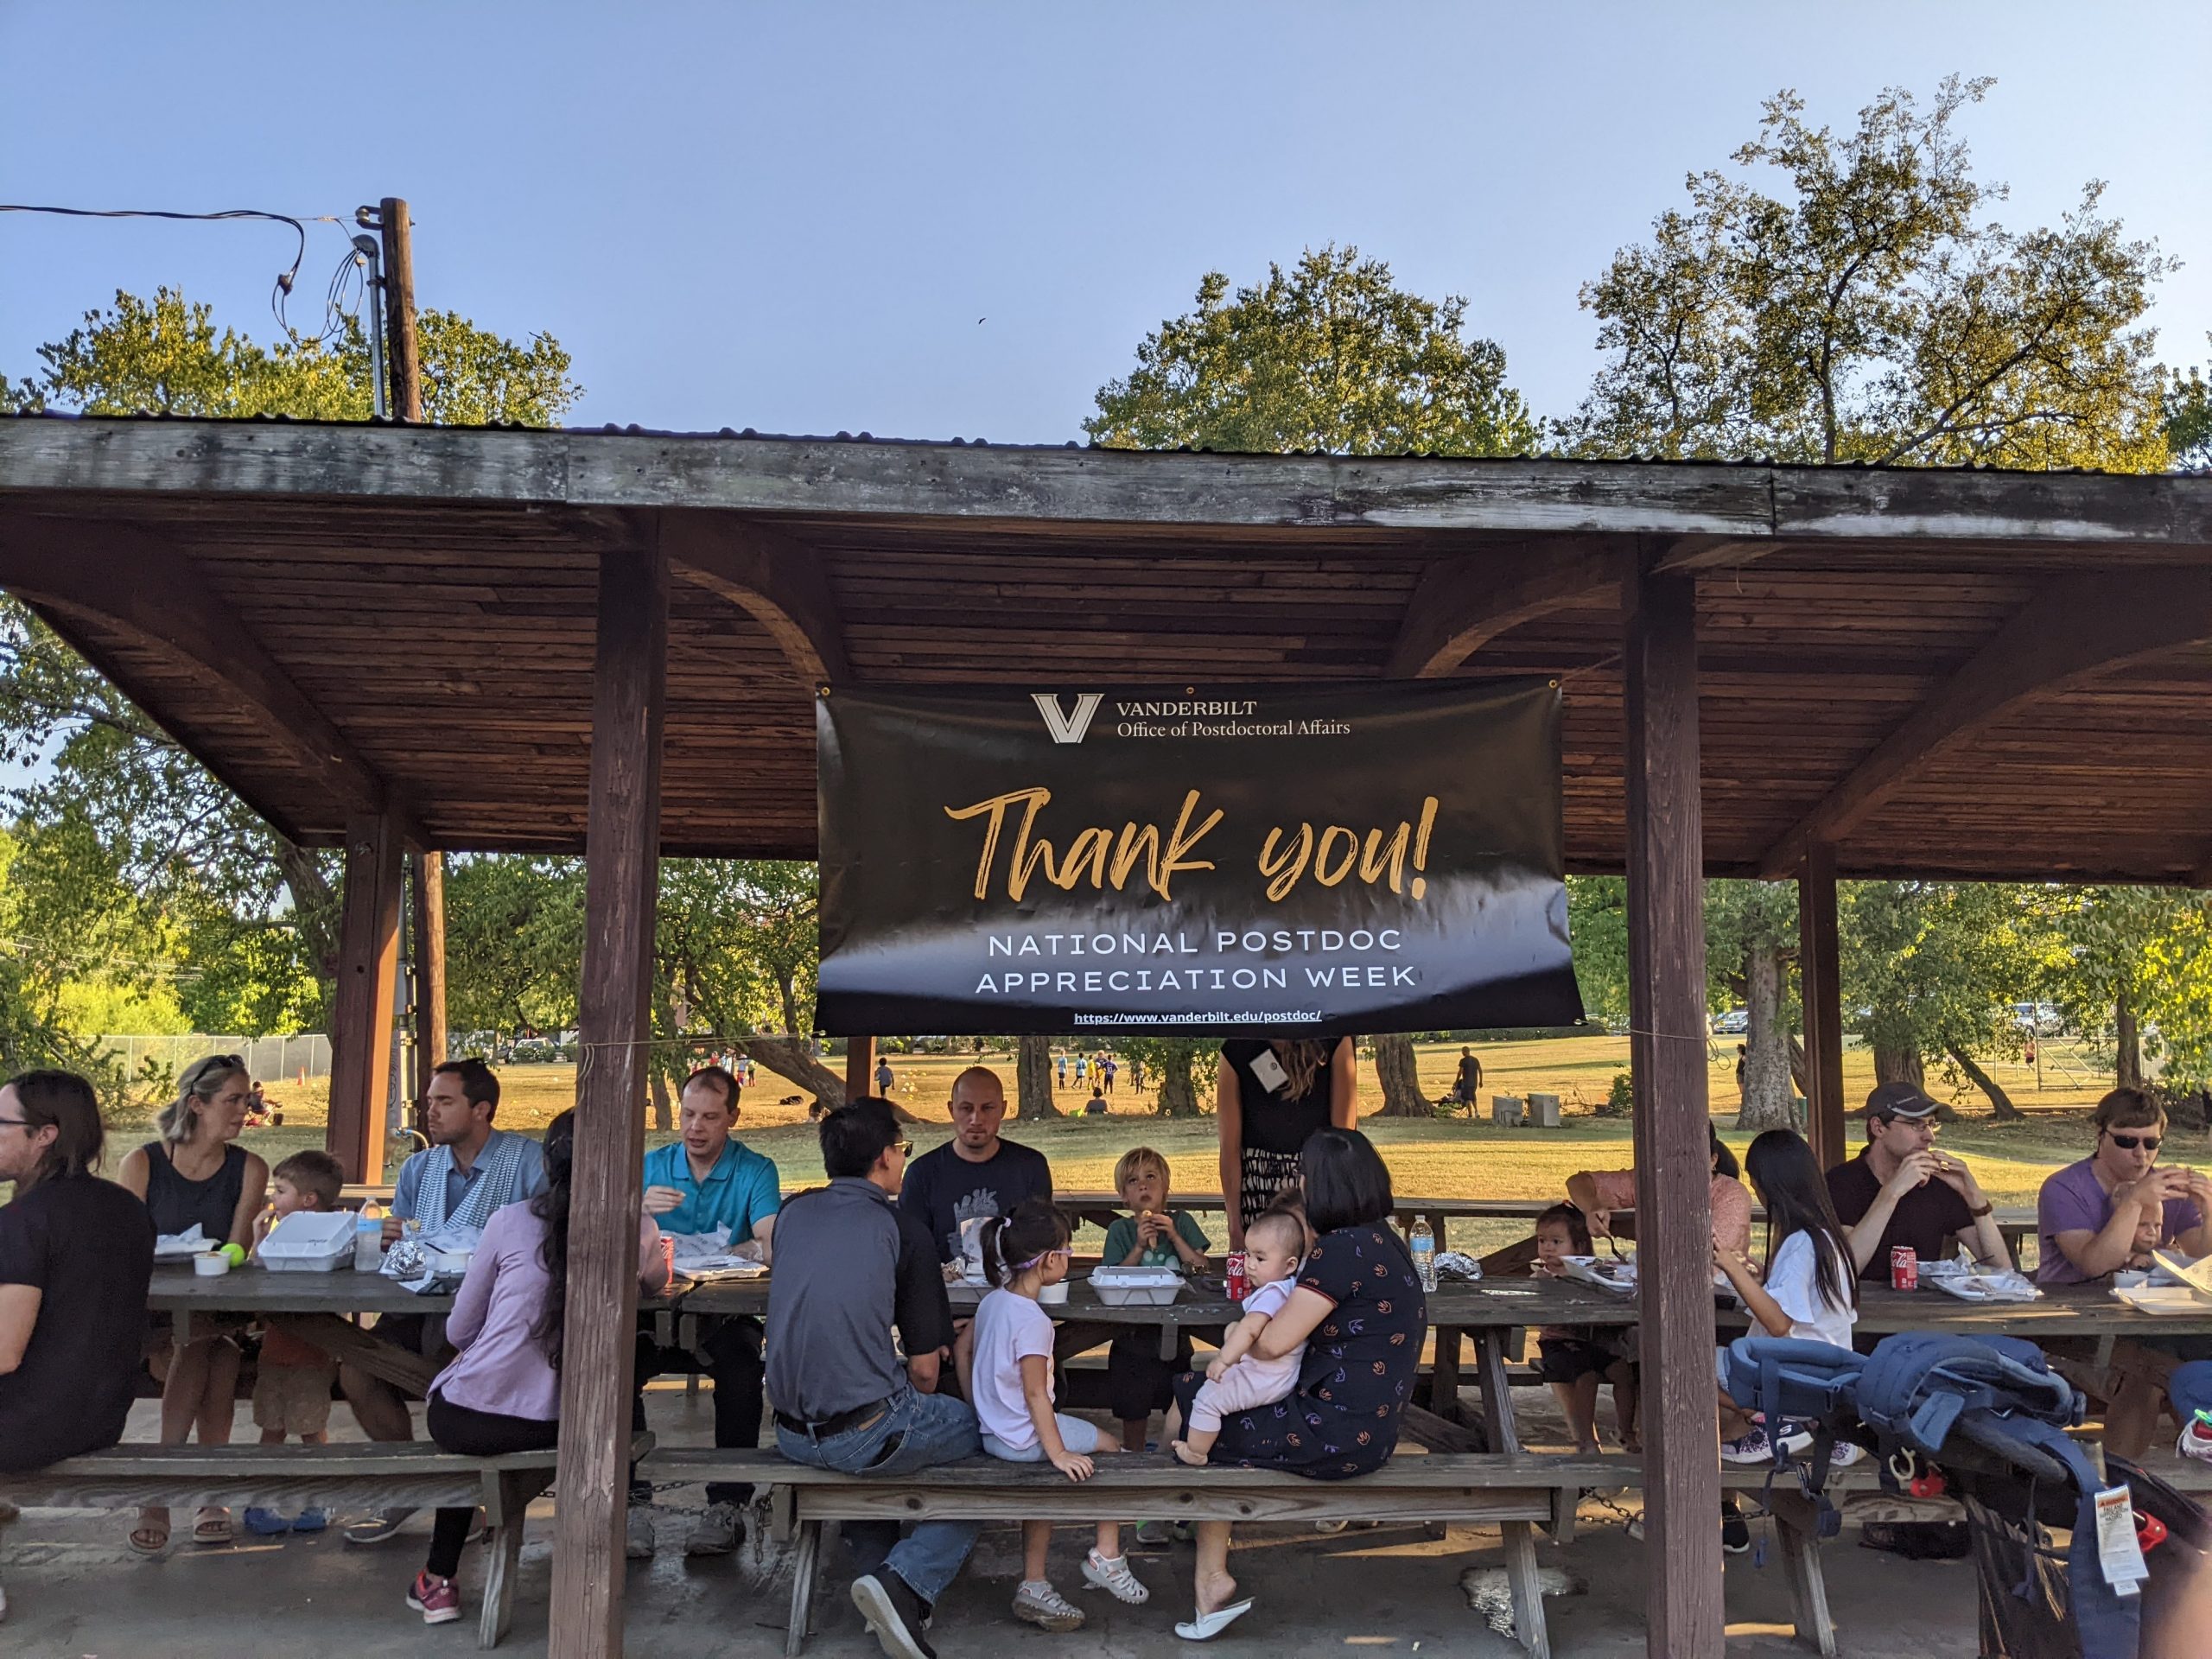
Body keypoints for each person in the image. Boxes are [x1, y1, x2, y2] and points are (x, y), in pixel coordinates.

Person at [402, 1109, 669, 1625]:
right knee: (642, 1357)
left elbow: (459, 1331)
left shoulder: (510, 1221)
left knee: (469, 1429)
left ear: (548, 1162)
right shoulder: (638, 1226)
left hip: (478, 1420)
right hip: (579, 1422)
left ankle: (439, 1579)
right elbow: (657, 1282)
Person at [1168, 1128, 1424, 1641]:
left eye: (1305, 1176)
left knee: (1193, 1412)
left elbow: (1271, 1345)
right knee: (1199, 1401)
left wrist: (1238, 1334)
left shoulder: (1338, 1252)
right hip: (1372, 1428)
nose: (1301, 1184)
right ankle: (1199, 1547)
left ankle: (1205, 1566)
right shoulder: (1386, 1243)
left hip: (1335, 1432)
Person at [770, 1098, 972, 1659]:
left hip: (788, 1432)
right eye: (903, 1151)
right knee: (994, 1447)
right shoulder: (901, 1228)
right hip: (862, 1433)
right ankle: (903, 1582)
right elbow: (928, 1374)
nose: (903, 1162)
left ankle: (873, 1573)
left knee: (880, 1433)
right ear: (885, 1158)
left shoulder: (792, 1214)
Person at [343, 1058, 547, 1546]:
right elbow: (409, 1249)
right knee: (355, 1369)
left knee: (453, 1377)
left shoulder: (527, 1163)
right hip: (420, 1308)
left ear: (482, 1110)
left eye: (444, 1101)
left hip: (492, 1323)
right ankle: (411, 1484)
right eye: (429, 1101)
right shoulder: (419, 1167)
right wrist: (394, 1238)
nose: (429, 1112)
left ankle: (465, 1495)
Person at [959, 1200, 1148, 1630]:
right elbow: (1035, 1394)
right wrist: (1058, 1451)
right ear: (1049, 1262)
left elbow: (961, 1350)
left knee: (1047, 1476)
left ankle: (1036, 1581)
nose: (1069, 1256)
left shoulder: (993, 1302)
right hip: (1024, 1437)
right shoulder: (1034, 1320)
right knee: (1113, 1448)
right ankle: (1107, 1556)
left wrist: (980, 1409)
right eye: (1066, 1250)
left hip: (995, 1434)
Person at [117, 1052, 270, 1553]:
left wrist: (217, 1255)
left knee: (211, 1340)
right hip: (153, 1313)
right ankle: (210, 1493)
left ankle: (161, 1492)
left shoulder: (250, 1167)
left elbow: (236, 1247)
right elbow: (122, 1248)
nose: (243, 1111)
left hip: (220, 1302)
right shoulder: (142, 1162)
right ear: (196, 1105)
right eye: (231, 1100)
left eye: (247, 1100)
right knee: (211, 1347)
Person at [630, 1064, 779, 1559]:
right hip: (652, 1313)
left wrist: (752, 1248)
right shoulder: (650, 1165)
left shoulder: (755, 1169)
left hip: (724, 1316)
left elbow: (771, 1240)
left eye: (710, 1117)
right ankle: (630, 1502)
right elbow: (601, 1230)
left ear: (732, 1118)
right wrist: (634, 1207)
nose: (696, 1127)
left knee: (741, 1372)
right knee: (614, 1367)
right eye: (689, 1115)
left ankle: (728, 1504)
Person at [2036, 1086, 2212, 1456]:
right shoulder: (2065, 1188)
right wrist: (2134, 1200)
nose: (2141, 1154)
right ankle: (2121, 1490)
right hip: (2074, 1328)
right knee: (2151, 1375)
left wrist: (2209, 1210)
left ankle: (2191, 1474)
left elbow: (2201, 1256)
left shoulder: (2164, 1186)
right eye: (2127, 1141)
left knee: (2192, 1358)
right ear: (2100, 1136)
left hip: (2153, 1321)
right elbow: (2094, 1262)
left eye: (2152, 1143)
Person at [0, 1070, 156, 1477]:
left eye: (1, 1123)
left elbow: (3, 1353)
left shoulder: (22, 1221)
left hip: (25, 1427)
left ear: (44, 1135)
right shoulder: (128, 1209)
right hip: (101, 1419)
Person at [1714, 1130, 1862, 1465]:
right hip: (1826, 1373)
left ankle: (1775, 1421)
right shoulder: (1825, 1237)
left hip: (1795, 1376)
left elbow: (1780, 1324)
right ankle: (1820, 1426)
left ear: (1773, 1185)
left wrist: (1729, 1265)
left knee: (1685, 1362)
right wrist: (1763, 1280)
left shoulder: (1801, 1243)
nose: (1754, 1190)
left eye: (1756, 1182)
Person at [243, 1149, 348, 1536]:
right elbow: (259, 1278)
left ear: (308, 1200)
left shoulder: (333, 1234)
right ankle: (262, 1499)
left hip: (311, 1352)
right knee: (271, 1427)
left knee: (310, 1428)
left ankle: (318, 1498)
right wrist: (257, 1239)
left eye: (281, 1190)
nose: (273, 1197)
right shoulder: (277, 1233)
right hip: (275, 1349)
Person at [1826, 1082, 2011, 1280]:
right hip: (1861, 1308)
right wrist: (1891, 1193)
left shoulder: (1938, 1184)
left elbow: (2002, 1271)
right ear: (1878, 1128)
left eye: (1931, 1124)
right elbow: (1845, 1272)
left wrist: (1974, 1198)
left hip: (1928, 1309)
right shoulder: (1840, 1183)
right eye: (1915, 1125)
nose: (1929, 1137)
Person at [1171, 1206, 1307, 1466]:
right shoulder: (1290, 1287)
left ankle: (1197, 1452)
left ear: (1290, 1264)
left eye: (1260, 1258)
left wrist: (1223, 1359)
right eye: (1248, 1254)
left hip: (1264, 1378)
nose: (1250, 1264)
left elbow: (1250, 1329)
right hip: (1278, 1373)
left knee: (1208, 1399)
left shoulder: (1271, 1293)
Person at [1101, 1147, 1211, 1459]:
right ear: (1124, 1196)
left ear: (1165, 1187)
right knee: (1132, 1406)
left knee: (1178, 1401)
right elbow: (1112, 1277)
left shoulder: (1182, 1222)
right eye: (1134, 1182)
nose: (1144, 1186)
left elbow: (1201, 1266)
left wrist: (1175, 1237)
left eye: (1151, 1178)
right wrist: (1138, 1247)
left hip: (1175, 1331)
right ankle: (1133, 1455)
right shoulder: (1119, 1230)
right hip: (1131, 1334)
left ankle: (1171, 1452)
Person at [899, 1066, 1053, 1265]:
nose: (976, 1119)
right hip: (945, 1293)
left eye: (987, 1108)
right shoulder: (921, 1174)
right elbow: (912, 1253)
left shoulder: (1031, 1168)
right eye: (966, 1108)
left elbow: (1042, 1243)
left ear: (1003, 1109)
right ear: (951, 1109)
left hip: (1013, 1291)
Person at [1215, 1036, 1357, 1249]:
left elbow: (1343, 1140)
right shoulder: (1239, 1045)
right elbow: (1229, 1148)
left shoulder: (1334, 1039)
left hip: (1316, 1189)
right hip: (1259, 1192)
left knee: (1317, 1275)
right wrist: (1234, 1227)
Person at [1529, 1203, 1637, 1457]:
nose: (1547, 1247)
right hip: (1558, 1345)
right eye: (1542, 1240)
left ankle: (1625, 1430)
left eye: (1556, 1241)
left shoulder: (1590, 1275)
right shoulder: (1542, 1279)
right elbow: (1541, 1317)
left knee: (1624, 1373)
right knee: (1586, 1377)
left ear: (1579, 1247)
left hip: (1592, 1343)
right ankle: (1586, 1440)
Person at [1566, 1124, 1753, 1257]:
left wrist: (1617, 1227)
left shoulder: (1731, 1194)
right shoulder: (1654, 1179)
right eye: (1669, 1156)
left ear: (1712, 1160)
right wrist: (1593, 1207)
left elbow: (1715, 1255)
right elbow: (1578, 1182)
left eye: (1688, 1156)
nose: (1678, 1165)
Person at [1453, 1046, 1483, 1112]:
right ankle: (1476, 1111)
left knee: (1468, 1098)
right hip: (1474, 1082)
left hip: (1466, 1083)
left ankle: (1472, 1113)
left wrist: (1457, 1081)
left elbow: (1460, 1072)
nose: (1462, 1053)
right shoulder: (1475, 1060)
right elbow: (1480, 1071)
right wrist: (1481, 1081)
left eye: (1462, 1052)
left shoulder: (1463, 1061)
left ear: (1464, 1052)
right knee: (1472, 1095)